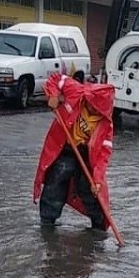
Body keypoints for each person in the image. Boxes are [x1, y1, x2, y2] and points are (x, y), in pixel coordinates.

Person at [33, 72, 115, 230]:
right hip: (65, 148)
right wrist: (53, 95)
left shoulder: (106, 125)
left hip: (86, 156)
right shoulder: (77, 91)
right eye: (90, 104)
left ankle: (98, 230)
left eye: (96, 109)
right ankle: (47, 224)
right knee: (56, 181)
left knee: (91, 191)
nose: (91, 108)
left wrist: (97, 180)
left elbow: (103, 157)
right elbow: (56, 79)